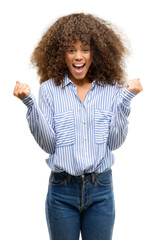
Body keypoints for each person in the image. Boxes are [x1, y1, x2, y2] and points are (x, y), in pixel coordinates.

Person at [13, 13, 143, 240]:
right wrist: (29, 103)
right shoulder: (49, 89)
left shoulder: (111, 89)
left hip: (101, 189)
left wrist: (125, 100)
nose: (78, 56)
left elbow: (115, 142)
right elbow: (49, 144)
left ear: (97, 52)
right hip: (62, 190)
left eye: (85, 49)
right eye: (71, 50)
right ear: (59, 54)